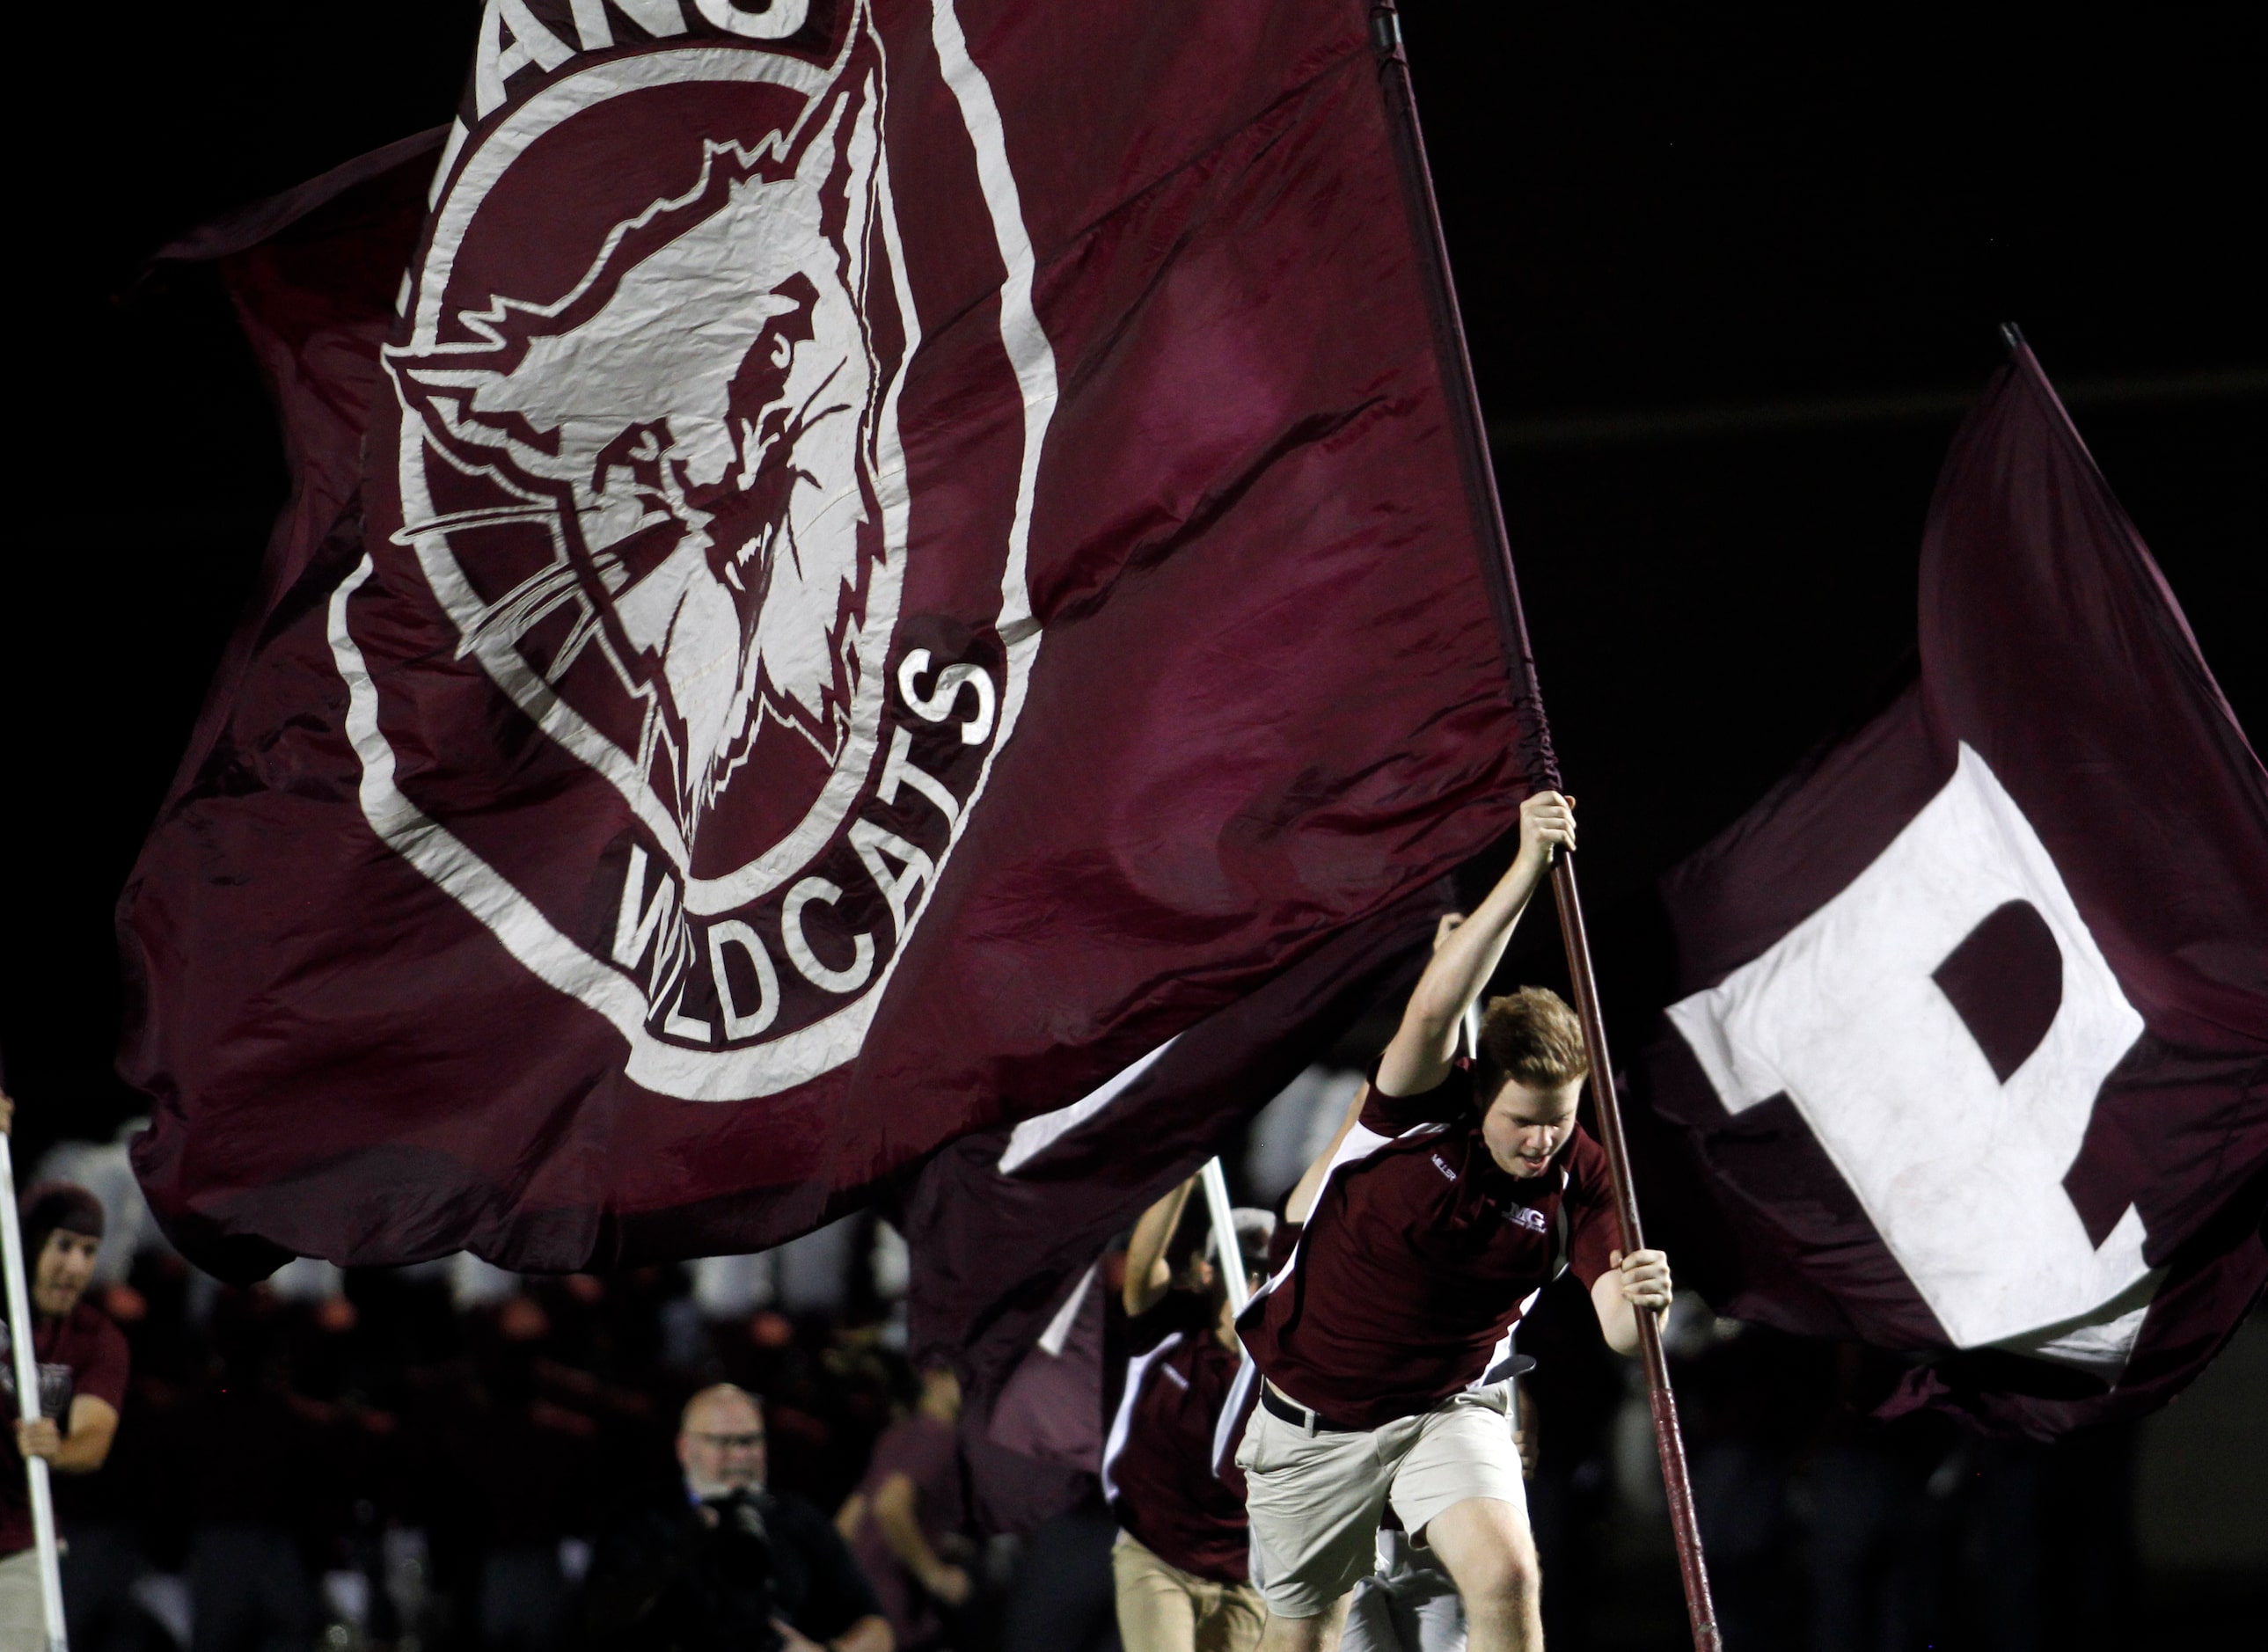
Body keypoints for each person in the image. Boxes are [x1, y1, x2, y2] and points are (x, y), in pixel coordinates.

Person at [1233, 792, 1672, 1652]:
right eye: (1523, 1120)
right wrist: (1525, 869)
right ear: (1478, 1095)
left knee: (1507, 1577)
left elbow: (1622, 1330)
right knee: (1303, 1639)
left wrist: (1643, 1297)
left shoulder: (1583, 1170)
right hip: (1315, 1420)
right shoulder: (1414, 1111)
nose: (1542, 1139)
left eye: (1560, 1116)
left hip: (1443, 1411)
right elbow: (1434, 1011)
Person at [584, 1383, 890, 1652]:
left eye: (751, 1441)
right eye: (723, 1441)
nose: (740, 1455)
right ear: (685, 1448)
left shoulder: (798, 1518)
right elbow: (599, 1620)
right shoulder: (642, 1520)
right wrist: (680, 1553)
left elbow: (877, 1626)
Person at [1107, 1173, 1271, 1652]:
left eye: (1267, 1273)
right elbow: (1141, 1270)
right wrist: (1186, 1168)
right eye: (1244, 1270)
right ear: (1206, 1272)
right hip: (1158, 1558)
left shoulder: (1290, 1369)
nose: (1256, 1285)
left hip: (1244, 1578)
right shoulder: (1173, 1329)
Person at [0, 1090, 130, 1647]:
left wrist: (58, 1449)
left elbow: (94, 1438)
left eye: (87, 1250)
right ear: (28, 1244)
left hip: (20, 1547)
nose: (73, 1267)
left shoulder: (97, 1340)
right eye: (61, 1245)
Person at [838, 1363, 972, 1652]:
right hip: (898, 1610)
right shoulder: (937, 1435)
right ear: (934, 1377)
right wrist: (934, 1576)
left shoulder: (898, 1434)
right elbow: (889, 1506)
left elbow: (851, 1517)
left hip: (862, 1608)